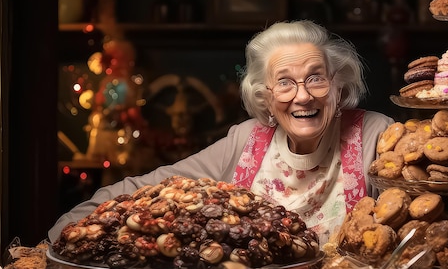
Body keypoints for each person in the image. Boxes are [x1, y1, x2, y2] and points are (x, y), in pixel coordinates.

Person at [48, 20, 395, 246]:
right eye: (285, 83)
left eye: (316, 78)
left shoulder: (375, 134)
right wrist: (64, 228)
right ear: (266, 96)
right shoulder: (246, 141)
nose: (302, 96)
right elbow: (152, 186)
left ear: (338, 85)